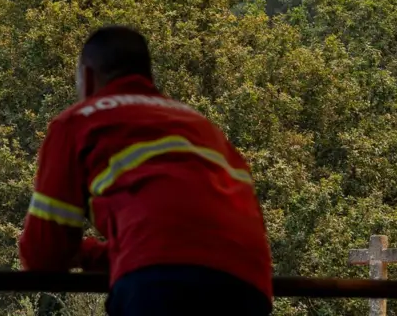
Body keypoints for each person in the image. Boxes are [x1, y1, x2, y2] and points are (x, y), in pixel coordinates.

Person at [18, 25, 272, 316]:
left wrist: (80, 253)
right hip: (248, 283)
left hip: (161, 283)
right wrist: (96, 255)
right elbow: (190, 238)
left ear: (87, 79)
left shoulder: (78, 122)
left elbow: (43, 255)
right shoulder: (202, 127)